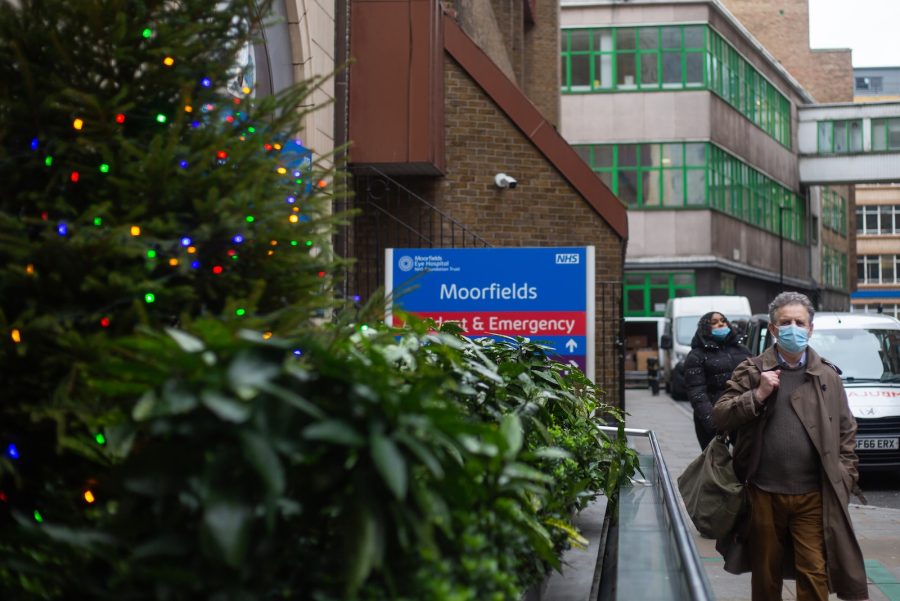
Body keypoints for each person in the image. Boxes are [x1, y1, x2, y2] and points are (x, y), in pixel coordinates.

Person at [712, 291, 869, 601]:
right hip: (764, 493)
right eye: (786, 322)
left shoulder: (827, 376)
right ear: (773, 328)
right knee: (766, 575)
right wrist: (757, 395)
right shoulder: (753, 370)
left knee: (814, 573)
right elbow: (720, 415)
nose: (793, 328)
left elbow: (846, 430)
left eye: (800, 322)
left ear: (810, 329)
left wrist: (845, 475)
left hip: (813, 496)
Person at [683, 311, 751, 450]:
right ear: (705, 328)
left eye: (723, 320)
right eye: (714, 323)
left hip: (741, 414)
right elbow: (697, 392)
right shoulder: (696, 356)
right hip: (714, 417)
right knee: (716, 464)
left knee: (746, 461)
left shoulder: (742, 350)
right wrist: (714, 423)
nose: (720, 324)